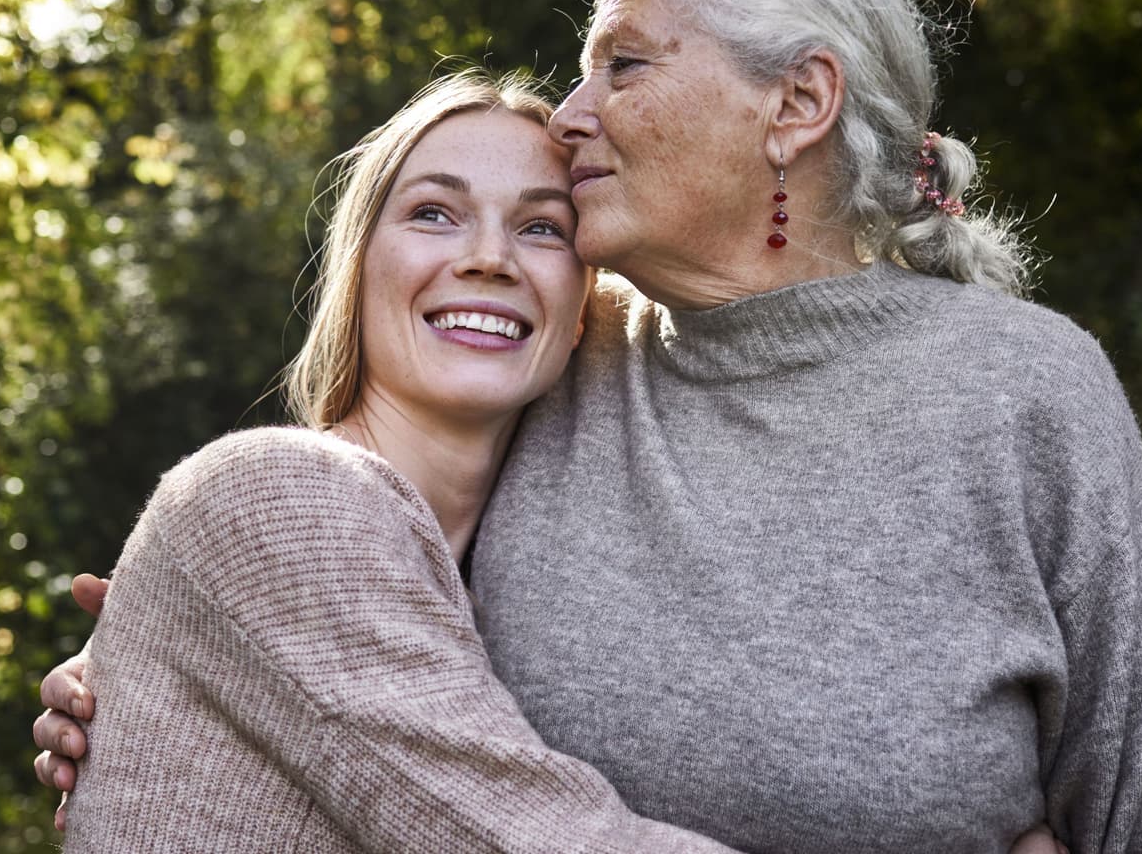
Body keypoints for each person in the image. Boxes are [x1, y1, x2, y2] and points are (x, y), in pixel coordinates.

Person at [38, 0, 1142, 852]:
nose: (571, 115)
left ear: (798, 103)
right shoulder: (569, 354)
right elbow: (331, 555)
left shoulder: (1020, 393)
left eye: (622, 64)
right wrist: (160, 647)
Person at [59, 71, 742, 850]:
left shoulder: (511, 591)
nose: (490, 258)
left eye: (543, 228)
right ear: (358, 269)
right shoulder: (275, 495)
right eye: (433, 214)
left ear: (584, 311)